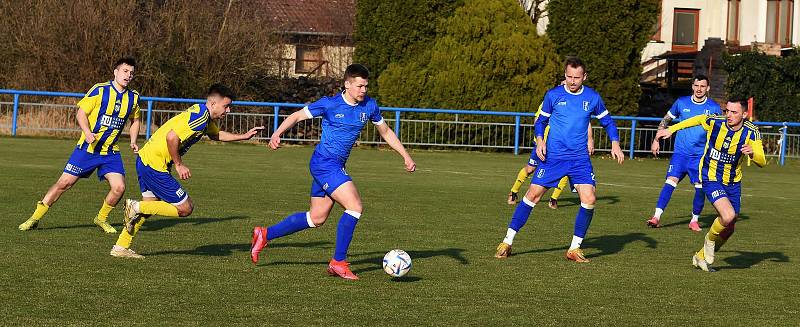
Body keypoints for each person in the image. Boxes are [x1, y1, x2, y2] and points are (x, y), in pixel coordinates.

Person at [250, 64, 416, 280]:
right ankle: (338, 262)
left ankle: (265, 234)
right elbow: (297, 116)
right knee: (355, 206)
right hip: (324, 163)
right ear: (347, 84)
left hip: (335, 165)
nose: (363, 90)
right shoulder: (330, 104)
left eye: (366, 86)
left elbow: (385, 131)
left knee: (317, 218)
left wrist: (405, 155)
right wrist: (277, 133)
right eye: (359, 86)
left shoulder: (370, 106)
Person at [494, 57, 625, 262]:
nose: (572, 81)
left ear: (584, 77)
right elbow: (541, 121)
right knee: (532, 195)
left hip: (579, 159)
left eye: (577, 77)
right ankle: (507, 241)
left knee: (589, 199)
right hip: (553, 157)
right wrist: (539, 141)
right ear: (565, 75)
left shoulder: (592, 97)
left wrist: (615, 142)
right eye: (569, 77)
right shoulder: (553, 95)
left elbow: (607, 121)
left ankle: (574, 248)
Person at [110, 84, 263, 258]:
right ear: (213, 104)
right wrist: (179, 164)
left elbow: (216, 135)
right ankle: (134, 206)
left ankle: (121, 246)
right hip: (154, 164)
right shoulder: (199, 118)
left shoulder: (204, 116)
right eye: (226, 106)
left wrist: (243, 136)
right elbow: (171, 137)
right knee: (185, 208)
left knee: (149, 207)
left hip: (147, 159)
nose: (228, 111)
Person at [19, 57, 141, 234]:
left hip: (110, 152)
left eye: (131, 73)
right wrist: (87, 132)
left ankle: (101, 218)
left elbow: (135, 120)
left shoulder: (133, 98)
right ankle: (34, 218)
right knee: (64, 183)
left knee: (119, 187)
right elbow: (81, 113)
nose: (128, 75)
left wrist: (133, 141)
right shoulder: (100, 90)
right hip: (87, 149)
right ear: (115, 72)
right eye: (125, 71)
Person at [654, 99, 766, 272]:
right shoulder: (716, 121)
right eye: (727, 110)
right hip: (710, 176)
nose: (728, 115)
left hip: (733, 182)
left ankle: (700, 256)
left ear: (745, 114)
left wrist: (753, 154)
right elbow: (697, 119)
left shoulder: (752, 132)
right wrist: (671, 129)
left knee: (729, 228)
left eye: (734, 112)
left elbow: (762, 161)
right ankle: (709, 240)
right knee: (727, 216)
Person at [646, 75, 722, 231]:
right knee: (670, 181)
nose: (699, 89)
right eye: (696, 85)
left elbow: (719, 131)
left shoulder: (714, 108)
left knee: (700, 187)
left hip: (700, 156)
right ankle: (656, 217)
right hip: (681, 154)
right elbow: (665, 121)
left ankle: (694, 220)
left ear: (707, 88)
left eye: (702, 86)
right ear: (692, 86)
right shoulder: (681, 102)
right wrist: (656, 139)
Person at [507, 101, 594, 209]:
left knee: (565, 172)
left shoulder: (576, 102)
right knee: (530, 169)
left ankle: (553, 199)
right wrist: (541, 140)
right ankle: (514, 192)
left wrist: (589, 139)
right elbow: (538, 121)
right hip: (543, 145)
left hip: (562, 148)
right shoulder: (550, 101)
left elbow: (585, 121)